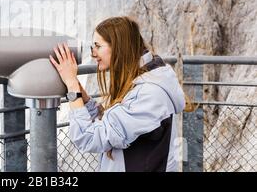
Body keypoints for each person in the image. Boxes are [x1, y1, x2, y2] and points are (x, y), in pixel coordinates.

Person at [49, 16, 192, 172]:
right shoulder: (146, 79)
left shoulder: (149, 94)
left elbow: (89, 138)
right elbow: (115, 124)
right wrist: (81, 94)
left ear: (118, 47)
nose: (93, 54)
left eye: (97, 46)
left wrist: (71, 87)